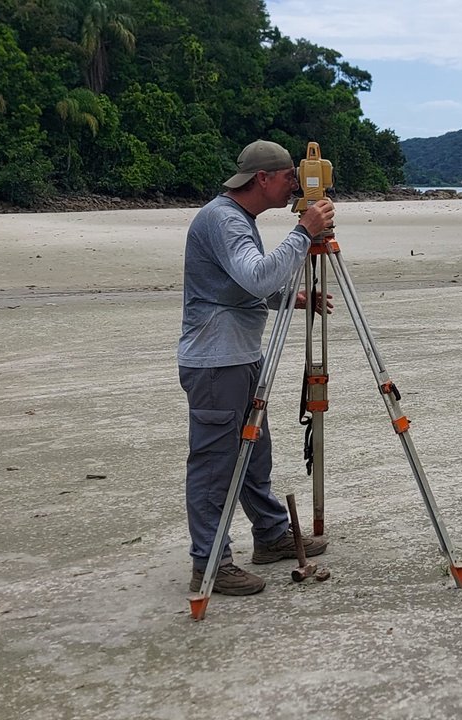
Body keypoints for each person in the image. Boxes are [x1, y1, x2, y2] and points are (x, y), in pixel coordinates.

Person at [180, 139, 336, 596]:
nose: (296, 183)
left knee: (253, 457)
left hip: (239, 356)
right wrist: (304, 231)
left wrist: (293, 297)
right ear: (262, 179)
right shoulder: (224, 220)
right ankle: (209, 564)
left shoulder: (237, 219)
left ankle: (270, 535)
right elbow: (258, 275)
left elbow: (239, 287)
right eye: (290, 175)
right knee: (215, 466)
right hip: (215, 361)